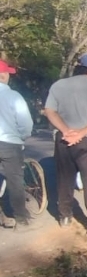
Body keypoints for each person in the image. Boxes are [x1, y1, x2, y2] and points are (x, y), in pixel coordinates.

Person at [43, 53, 87, 232]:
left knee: (64, 179)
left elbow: (50, 110)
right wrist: (81, 133)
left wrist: (67, 131)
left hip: (64, 139)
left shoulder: (58, 86)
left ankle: (64, 216)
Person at [0, 59, 34, 229]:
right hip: (9, 143)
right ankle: (20, 215)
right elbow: (25, 123)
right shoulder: (14, 96)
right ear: (4, 76)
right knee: (14, 179)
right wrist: (23, 136)